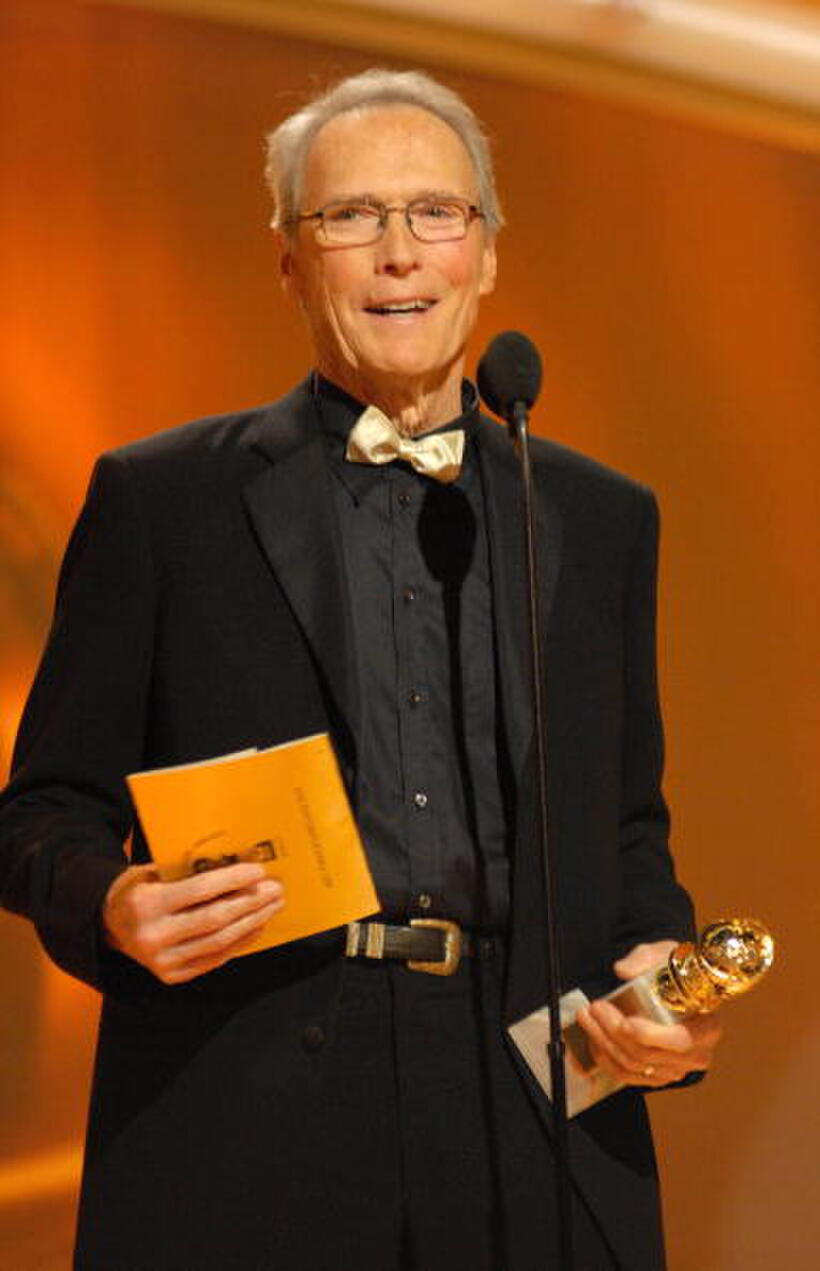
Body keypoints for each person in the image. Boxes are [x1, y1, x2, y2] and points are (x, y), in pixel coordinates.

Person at [0, 69, 721, 1270]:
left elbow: (627, 830)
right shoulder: (162, 501)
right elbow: (39, 810)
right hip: (244, 1105)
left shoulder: (598, 516)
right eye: (350, 217)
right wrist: (113, 903)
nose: (398, 253)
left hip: (531, 1104)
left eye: (435, 213)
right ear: (290, 259)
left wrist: (663, 978)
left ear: (483, 255)